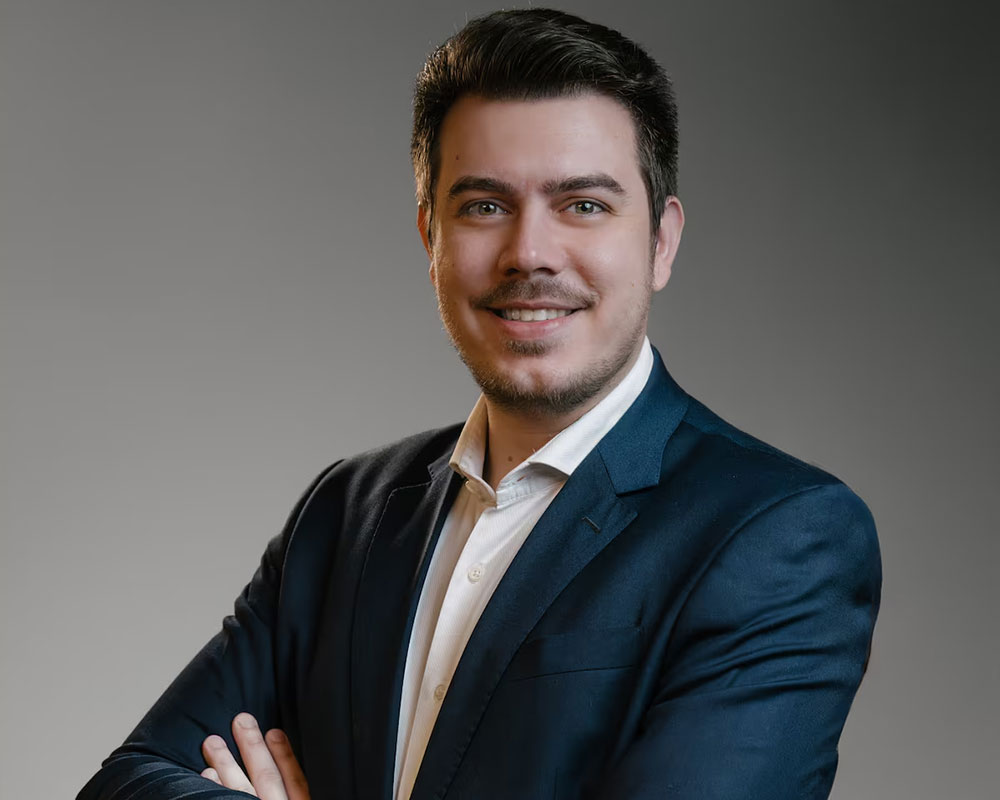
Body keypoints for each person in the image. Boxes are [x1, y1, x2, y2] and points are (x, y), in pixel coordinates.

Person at [78, 8, 881, 800]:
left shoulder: (780, 536)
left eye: (585, 205)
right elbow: (126, 783)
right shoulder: (344, 515)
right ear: (430, 237)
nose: (529, 253)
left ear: (661, 242)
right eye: (484, 206)